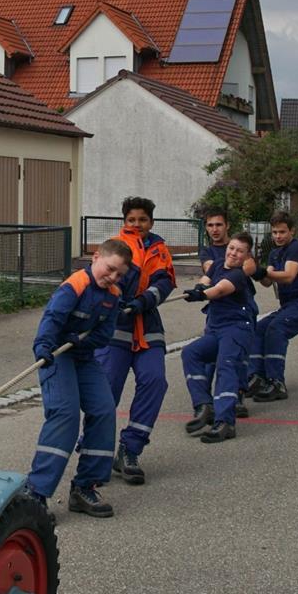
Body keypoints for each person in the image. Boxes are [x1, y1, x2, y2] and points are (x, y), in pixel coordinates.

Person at [27, 238, 131, 518]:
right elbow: (52, 319)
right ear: (96, 257)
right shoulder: (75, 285)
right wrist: (44, 347)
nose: (112, 277)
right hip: (56, 354)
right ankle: (35, 493)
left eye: (119, 274)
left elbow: (104, 334)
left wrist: (82, 341)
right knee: (66, 414)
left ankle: (84, 487)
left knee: (104, 409)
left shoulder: (113, 295)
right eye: (109, 269)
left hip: (82, 355)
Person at [101, 197, 176, 486]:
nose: (137, 225)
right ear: (124, 222)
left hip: (147, 326)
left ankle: (130, 450)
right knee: (106, 390)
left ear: (151, 222)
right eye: (131, 220)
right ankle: (96, 451)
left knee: (155, 381)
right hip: (115, 328)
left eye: (142, 220)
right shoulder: (114, 247)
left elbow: (165, 281)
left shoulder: (159, 248)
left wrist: (143, 301)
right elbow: (105, 280)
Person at [181, 231, 258, 442]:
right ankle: (204, 405)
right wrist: (198, 288)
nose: (233, 253)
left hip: (236, 329)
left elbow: (220, 290)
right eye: (232, 248)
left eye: (239, 251)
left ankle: (225, 422)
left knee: (226, 367)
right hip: (216, 328)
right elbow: (206, 280)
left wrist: (202, 294)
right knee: (191, 353)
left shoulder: (238, 275)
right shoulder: (216, 265)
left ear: (246, 256)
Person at [248, 210, 298, 402]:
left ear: (292, 232)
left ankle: (276, 382)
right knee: (258, 328)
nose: (278, 236)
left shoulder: (295, 248)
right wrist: (253, 272)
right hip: (289, 306)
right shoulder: (274, 254)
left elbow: (288, 276)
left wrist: (261, 271)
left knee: (276, 328)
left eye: (282, 232)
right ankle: (256, 377)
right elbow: (267, 281)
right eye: (274, 232)